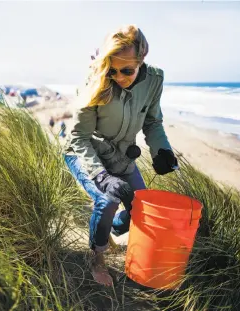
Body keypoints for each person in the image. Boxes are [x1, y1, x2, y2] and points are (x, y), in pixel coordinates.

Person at [63, 24, 178, 286]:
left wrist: (163, 152)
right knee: (107, 197)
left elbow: (152, 123)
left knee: (143, 209)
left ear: (141, 60)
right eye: (112, 70)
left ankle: (112, 227)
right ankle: (96, 258)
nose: (118, 76)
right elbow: (78, 138)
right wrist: (101, 176)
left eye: (127, 70)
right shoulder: (97, 80)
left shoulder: (154, 81)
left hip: (121, 157)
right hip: (83, 153)